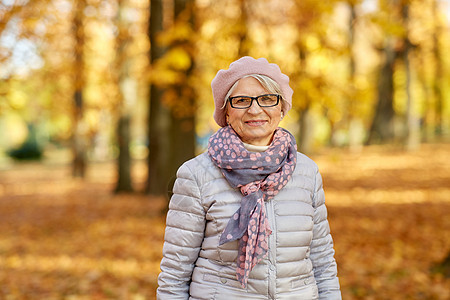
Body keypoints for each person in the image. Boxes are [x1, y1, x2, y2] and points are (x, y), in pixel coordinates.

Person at [157, 56, 341, 299]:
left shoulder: (306, 171)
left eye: (267, 98)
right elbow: (175, 272)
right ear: (227, 112)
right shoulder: (196, 174)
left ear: (281, 108)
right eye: (242, 100)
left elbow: (322, 260)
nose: (255, 109)